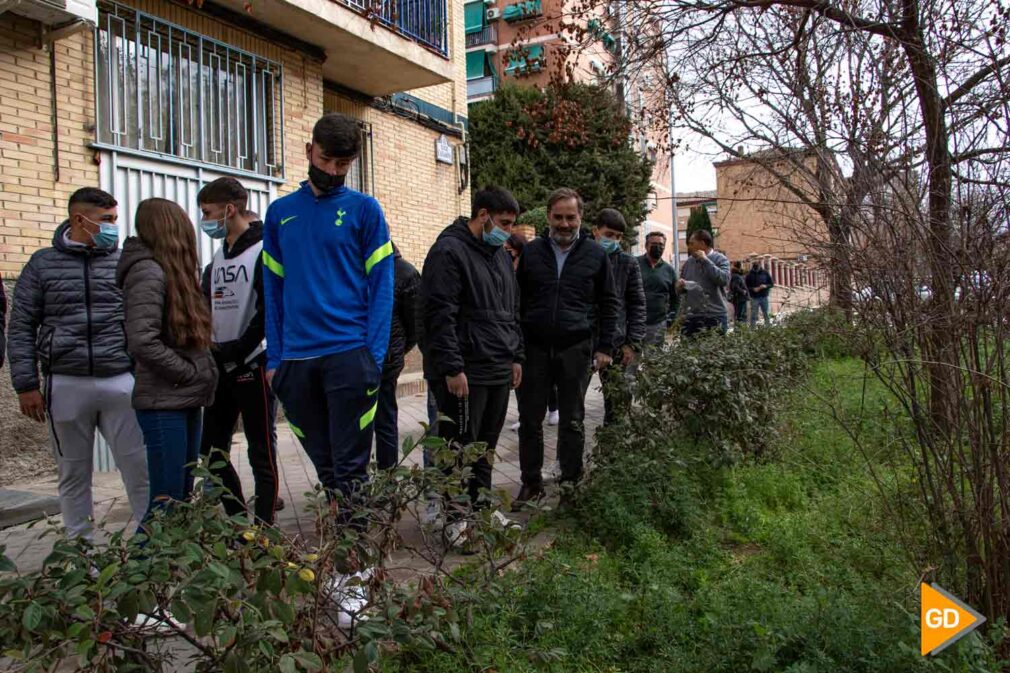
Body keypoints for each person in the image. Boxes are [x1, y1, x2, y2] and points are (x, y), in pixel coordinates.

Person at [263, 114, 393, 625]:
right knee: (327, 471)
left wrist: (372, 356)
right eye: (327, 160)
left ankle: (351, 576)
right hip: (295, 363)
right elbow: (272, 291)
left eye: (344, 164)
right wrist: (275, 360)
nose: (334, 171)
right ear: (309, 150)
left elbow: (380, 286)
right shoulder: (280, 215)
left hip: (348, 358)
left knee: (351, 472)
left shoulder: (364, 210)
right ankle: (346, 563)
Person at [8, 188, 149, 539]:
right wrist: (26, 385)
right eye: (107, 220)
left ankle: (153, 555)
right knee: (73, 475)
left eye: (115, 219)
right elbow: (22, 325)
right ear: (79, 219)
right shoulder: (42, 264)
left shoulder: (123, 262)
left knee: (140, 470)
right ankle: (82, 561)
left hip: (121, 381)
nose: (114, 227)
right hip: (65, 384)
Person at [421, 186, 523, 542]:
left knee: (485, 448)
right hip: (465, 371)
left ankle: (481, 510)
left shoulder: (497, 254)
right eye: (505, 223)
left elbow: (512, 310)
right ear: (483, 216)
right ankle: (455, 519)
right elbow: (439, 313)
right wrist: (451, 366)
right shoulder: (448, 252)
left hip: (497, 365)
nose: (509, 231)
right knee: (459, 447)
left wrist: (516, 355)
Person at [514, 188, 619, 509]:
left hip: (576, 348)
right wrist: (515, 348)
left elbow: (609, 304)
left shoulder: (596, 255)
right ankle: (531, 484)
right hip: (534, 348)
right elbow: (517, 302)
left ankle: (570, 487)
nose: (563, 223)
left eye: (570, 217)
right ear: (548, 217)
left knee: (572, 420)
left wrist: (605, 348)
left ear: (580, 218)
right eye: (558, 217)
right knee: (530, 420)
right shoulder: (531, 254)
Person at [117, 198, 218, 517]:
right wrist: (189, 373)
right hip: (164, 401)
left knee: (181, 497)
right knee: (166, 503)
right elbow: (142, 341)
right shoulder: (147, 272)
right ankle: (143, 566)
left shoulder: (170, 270)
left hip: (183, 399)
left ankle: (172, 567)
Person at [197, 177, 279, 525]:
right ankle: (239, 521)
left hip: (252, 362)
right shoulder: (217, 259)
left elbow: (270, 310)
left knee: (261, 452)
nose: (205, 220)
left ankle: (263, 529)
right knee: (211, 451)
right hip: (220, 364)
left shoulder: (263, 250)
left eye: (208, 213)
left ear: (229, 209)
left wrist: (239, 349)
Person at [591, 209, 646, 426]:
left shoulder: (628, 263)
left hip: (616, 343)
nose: (613, 240)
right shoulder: (582, 258)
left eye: (618, 236)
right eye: (609, 234)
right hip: (584, 342)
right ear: (596, 231)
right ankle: (566, 458)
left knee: (615, 403)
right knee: (573, 404)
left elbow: (637, 304)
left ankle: (612, 453)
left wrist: (631, 343)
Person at [375, 243, 420, 470]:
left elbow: (414, 323)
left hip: (387, 359)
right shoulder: (351, 266)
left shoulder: (403, 271)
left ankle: (387, 477)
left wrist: (398, 349)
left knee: (384, 420)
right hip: (353, 358)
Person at [677, 229, 731, 338]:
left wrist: (706, 261)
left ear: (702, 244)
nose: (689, 247)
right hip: (692, 317)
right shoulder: (689, 262)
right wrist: (680, 287)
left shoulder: (720, 259)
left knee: (715, 353)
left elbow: (724, 280)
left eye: (692, 243)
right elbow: (683, 290)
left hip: (714, 316)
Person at [637, 231, 679, 347]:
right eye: (654, 244)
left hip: (658, 324)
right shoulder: (634, 264)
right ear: (646, 245)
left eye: (661, 245)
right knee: (631, 363)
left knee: (654, 363)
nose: (658, 247)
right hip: (635, 324)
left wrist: (671, 318)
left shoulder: (669, 270)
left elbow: (675, 298)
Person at [746, 260, 775, 327]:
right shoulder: (749, 275)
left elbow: (771, 284)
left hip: (764, 296)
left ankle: (768, 327)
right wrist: (753, 289)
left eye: (757, 266)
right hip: (754, 297)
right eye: (755, 267)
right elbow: (746, 287)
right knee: (753, 314)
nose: (756, 268)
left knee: (766, 313)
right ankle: (752, 329)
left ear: (760, 266)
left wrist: (765, 286)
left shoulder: (765, 273)